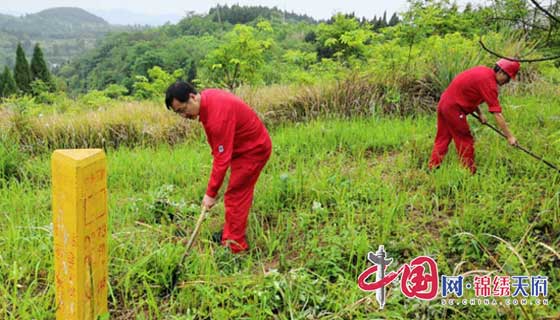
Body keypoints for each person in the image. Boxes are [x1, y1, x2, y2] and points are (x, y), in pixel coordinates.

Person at [165, 82, 272, 253]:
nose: (183, 115)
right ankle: (229, 236)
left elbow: (222, 160)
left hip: (253, 150)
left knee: (236, 195)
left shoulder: (217, 116)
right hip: (241, 148)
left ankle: (234, 246)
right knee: (235, 193)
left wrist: (210, 194)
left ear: (192, 97)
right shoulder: (207, 99)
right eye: (179, 113)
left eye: (182, 110)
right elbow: (219, 149)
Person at [428, 59, 521, 173]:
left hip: (444, 103)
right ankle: (468, 172)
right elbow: (497, 113)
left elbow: (470, 94)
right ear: (501, 72)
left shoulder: (483, 71)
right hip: (454, 109)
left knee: (443, 137)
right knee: (464, 139)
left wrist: (480, 113)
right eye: (508, 79)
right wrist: (510, 136)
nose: (507, 83)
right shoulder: (489, 84)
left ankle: (433, 167)